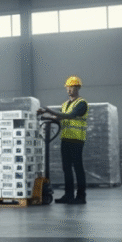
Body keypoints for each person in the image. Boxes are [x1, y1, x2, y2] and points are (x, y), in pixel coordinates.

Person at [38, 76, 88, 204]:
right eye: (68, 87)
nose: (69, 89)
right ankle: (68, 195)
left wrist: (50, 110)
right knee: (66, 168)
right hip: (65, 138)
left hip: (77, 139)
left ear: (78, 88)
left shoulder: (81, 104)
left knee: (77, 167)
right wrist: (45, 114)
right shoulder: (65, 104)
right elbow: (59, 117)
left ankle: (81, 197)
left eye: (72, 87)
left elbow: (70, 116)